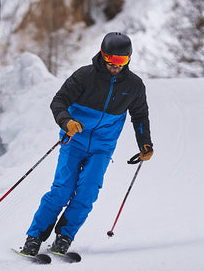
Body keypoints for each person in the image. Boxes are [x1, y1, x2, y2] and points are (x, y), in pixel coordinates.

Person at [20, 32, 153, 256]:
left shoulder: (134, 86)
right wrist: (66, 121)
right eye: (112, 60)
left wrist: (145, 143)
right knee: (62, 191)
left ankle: (64, 237)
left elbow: (140, 114)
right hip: (75, 139)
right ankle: (34, 237)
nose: (116, 66)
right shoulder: (85, 76)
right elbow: (59, 101)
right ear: (103, 54)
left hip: (103, 145)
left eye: (122, 61)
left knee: (88, 192)